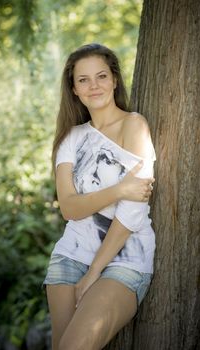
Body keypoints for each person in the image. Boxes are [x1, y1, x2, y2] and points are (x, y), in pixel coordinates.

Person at [43, 43, 156, 350]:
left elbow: (132, 212)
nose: (94, 86)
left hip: (125, 258)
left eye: (101, 76)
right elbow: (69, 208)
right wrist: (119, 189)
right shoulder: (70, 138)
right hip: (71, 255)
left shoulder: (135, 125)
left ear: (115, 80)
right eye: (83, 80)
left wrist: (94, 272)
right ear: (74, 89)